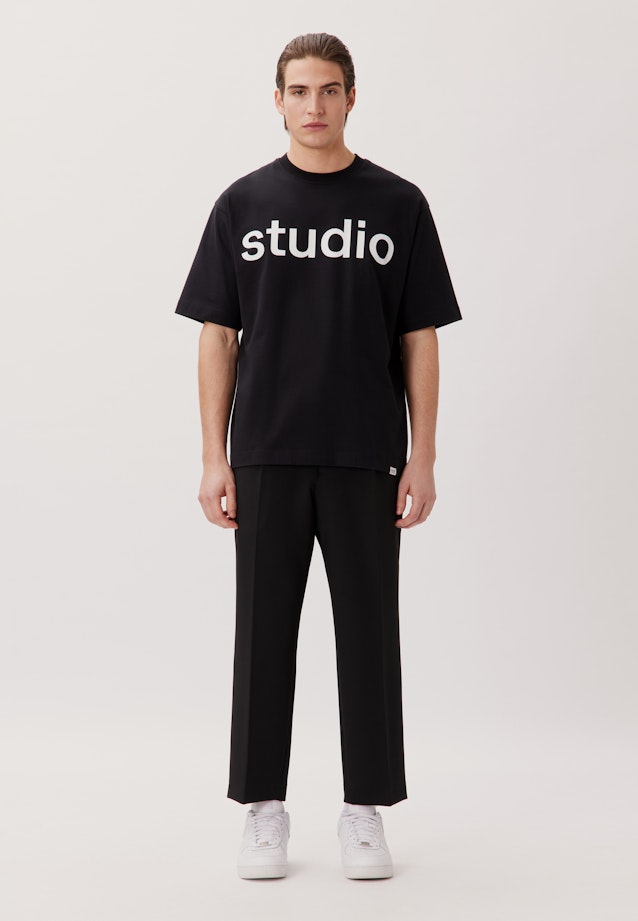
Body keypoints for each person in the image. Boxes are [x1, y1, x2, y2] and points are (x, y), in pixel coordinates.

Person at [174, 32, 462, 881]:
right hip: (264, 451)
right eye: (298, 91)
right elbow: (217, 335)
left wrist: (424, 455)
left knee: (369, 634)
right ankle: (263, 807)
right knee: (263, 633)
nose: (314, 105)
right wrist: (213, 455)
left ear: (351, 98)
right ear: (278, 101)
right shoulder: (242, 204)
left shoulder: (398, 204)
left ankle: (364, 810)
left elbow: (420, 337)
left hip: (367, 453)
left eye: (329, 90)